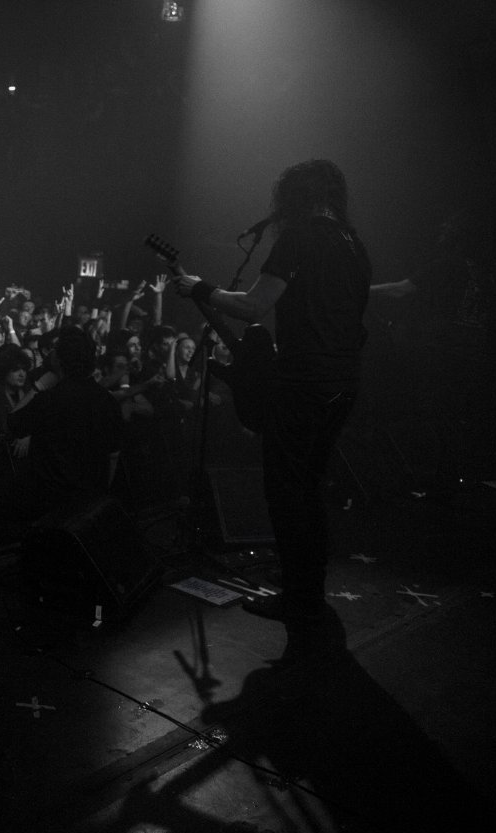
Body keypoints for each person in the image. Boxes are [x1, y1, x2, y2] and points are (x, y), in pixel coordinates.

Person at [172, 159, 370, 659]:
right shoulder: (353, 244)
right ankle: (308, 593)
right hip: (342, 384)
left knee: (286, 493)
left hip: (305, 387)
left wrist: (199, 288)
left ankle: (299, 599)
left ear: (295, 196)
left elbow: (253, 306)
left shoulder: (300, 238)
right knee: (309, 489)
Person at [7, 325, 125, 518]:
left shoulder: (50, 400)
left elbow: (13, 422)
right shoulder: (108, 401)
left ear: (59, 360)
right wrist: (101, 497)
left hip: (53, 505)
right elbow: (113, 456)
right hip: (93, 504)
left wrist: (39, 386)